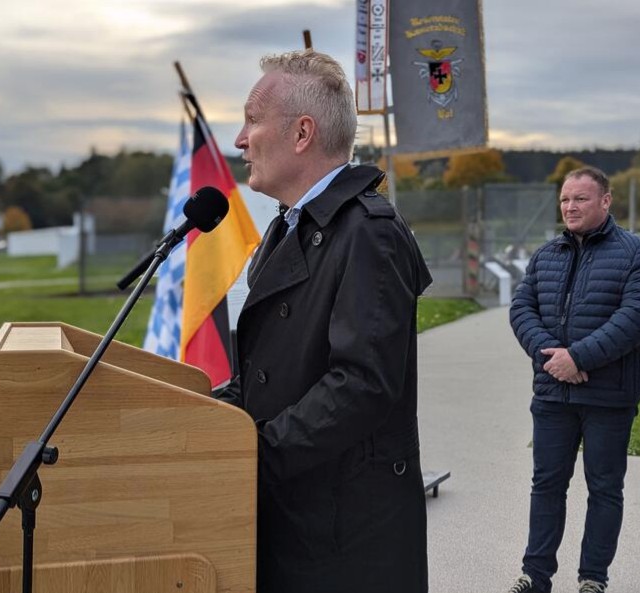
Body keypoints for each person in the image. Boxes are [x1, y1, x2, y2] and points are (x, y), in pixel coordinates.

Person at [217, 49, 431, 593]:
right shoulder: (287, 228)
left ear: (302, 132)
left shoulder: (368, 232)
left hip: (343, 535)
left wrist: (252, 456)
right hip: (292, 509)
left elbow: (361, 384)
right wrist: (202, 418)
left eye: (252, 120)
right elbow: (269, 367)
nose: (240, 140)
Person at [507, 166, 640, 593]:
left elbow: (639, 316)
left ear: (606, 201)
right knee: (546, 485)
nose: (570, 207)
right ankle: (535, 576)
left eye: (580, 199)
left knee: (605, 488)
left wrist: (577, 357)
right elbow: (522, 310)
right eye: (564, 199)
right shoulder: (546, 256)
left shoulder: (637, 253)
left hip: (609, 397)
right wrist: (552, 361)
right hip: (553, 395)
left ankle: (593, 578)